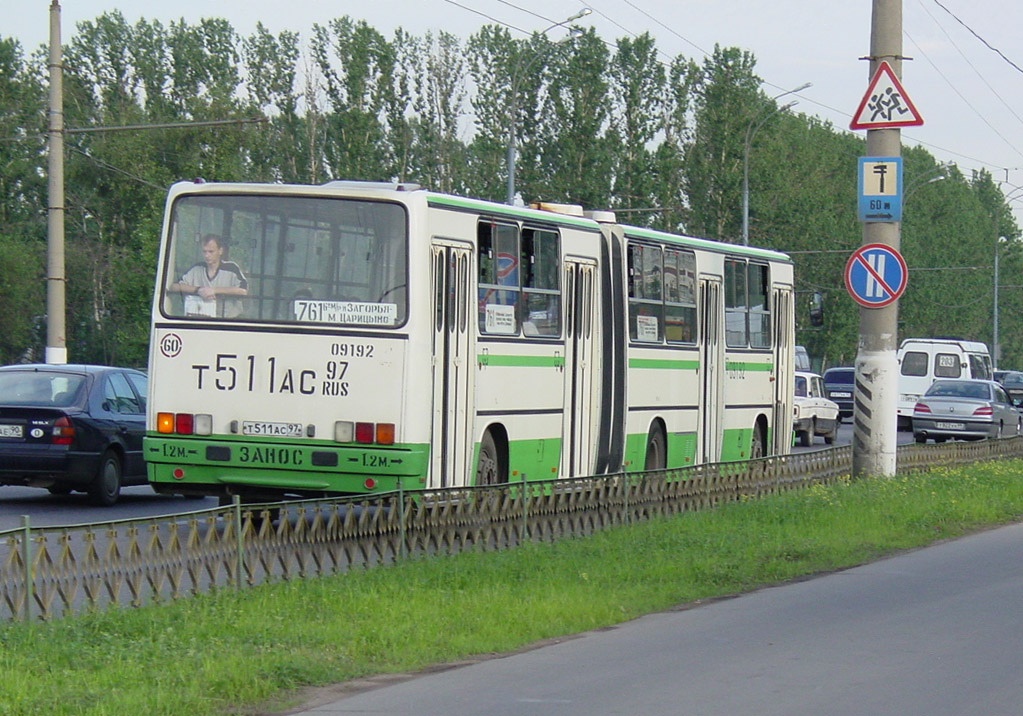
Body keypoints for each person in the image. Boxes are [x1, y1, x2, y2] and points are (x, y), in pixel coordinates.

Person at [171, 234, 248, 317]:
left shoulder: (231, 268)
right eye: (204, 251)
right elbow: (175, 286)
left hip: (228, 320)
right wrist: (198, 290)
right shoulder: (197, 269)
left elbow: (243, 291)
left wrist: (214, 290)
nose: (207, 255)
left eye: (211, 252)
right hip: (201, 319)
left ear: (220, 251)